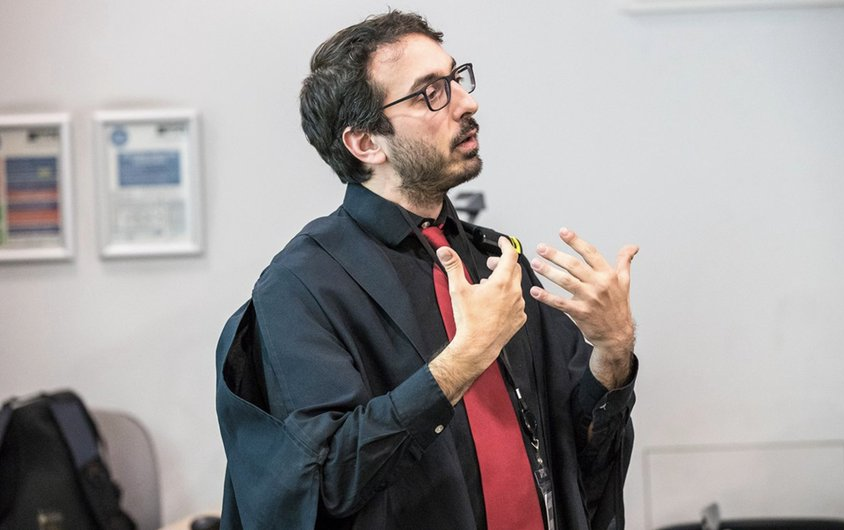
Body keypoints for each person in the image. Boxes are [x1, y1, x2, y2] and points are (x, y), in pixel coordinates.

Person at [215, 10, 638, 530]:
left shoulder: (495, 261)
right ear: (366, 143)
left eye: (456, 79)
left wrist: (612, 350)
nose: (466, 103)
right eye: (429, 93)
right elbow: (322, 483)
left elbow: (574, 452)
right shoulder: (302, 285)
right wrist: (462, 361)